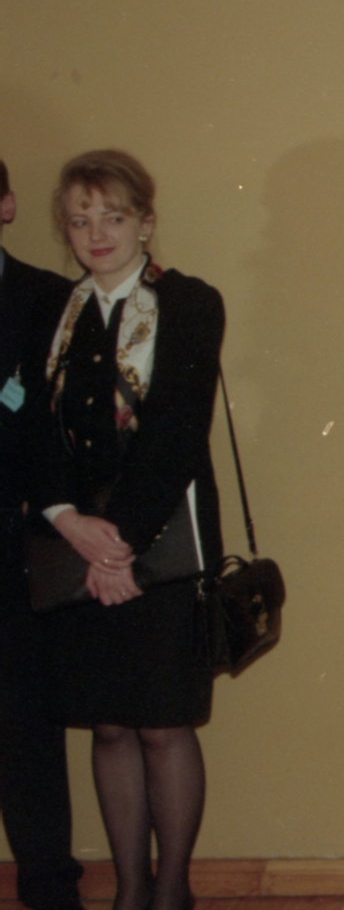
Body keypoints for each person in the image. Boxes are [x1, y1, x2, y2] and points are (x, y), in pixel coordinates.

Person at [25, 150, 224, 910]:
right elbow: (33, 431)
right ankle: (129, 892)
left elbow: (177, 432)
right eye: (80, 220)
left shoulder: (190, 302)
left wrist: (122, 546)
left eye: (113, 216)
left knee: (163, 725)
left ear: (145, 221)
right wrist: (69, 522)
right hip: (73, 545)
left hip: (160, 545)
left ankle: (171, 891)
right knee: (109, 726)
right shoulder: (50, 309)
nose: (96, 233)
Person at [0, 160, 83, 910]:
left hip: (15, 545)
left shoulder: (48, 299)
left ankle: (50, 892)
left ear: (6, 204)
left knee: (23, 729)